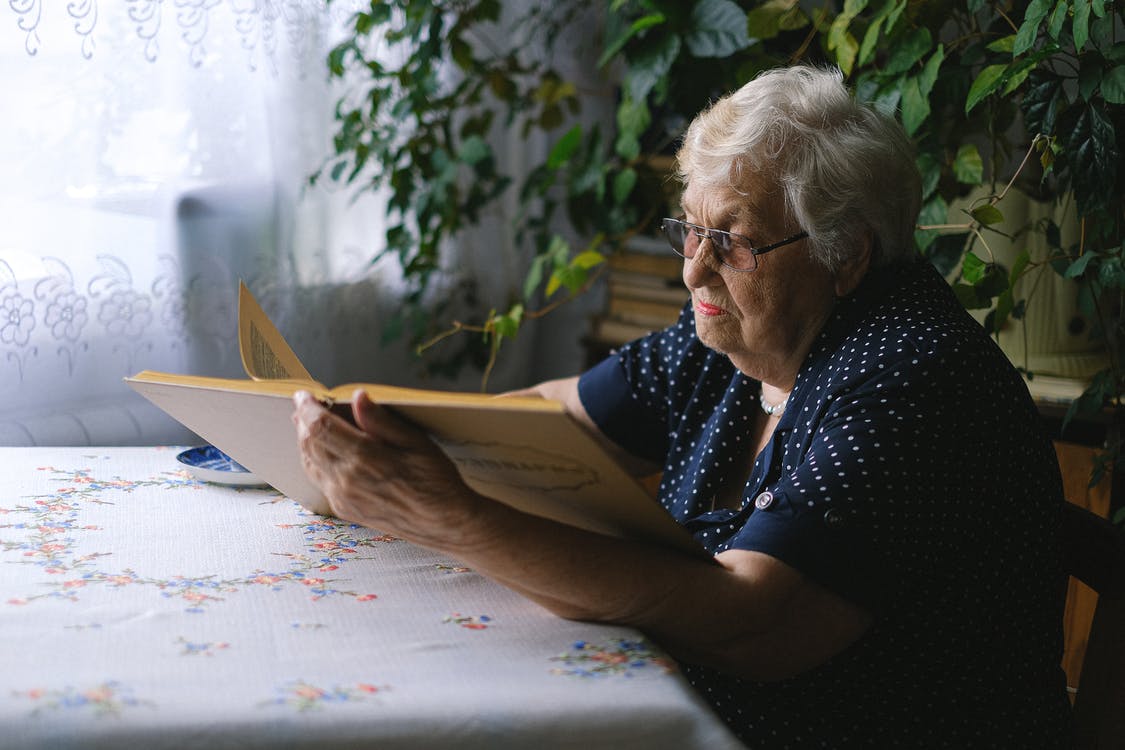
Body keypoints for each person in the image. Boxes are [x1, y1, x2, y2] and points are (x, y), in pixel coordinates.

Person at [293, 65, 1073, 747]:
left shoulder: (911, 381)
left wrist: (448, 518)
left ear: (846, 254)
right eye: (688, 232)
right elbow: (543, 421)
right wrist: (367, 432)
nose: (694, 274)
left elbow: (751, 624)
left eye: (730, 242)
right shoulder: (735, 340)